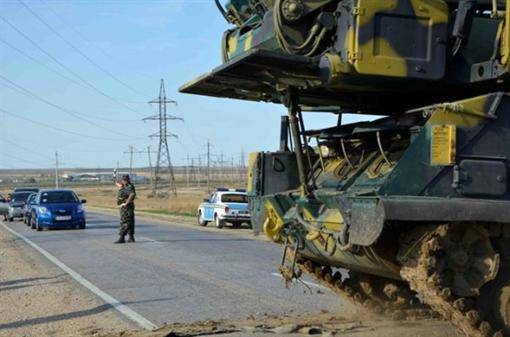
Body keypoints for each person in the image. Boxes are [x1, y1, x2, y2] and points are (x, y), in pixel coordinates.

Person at [114, 174, 136, 244]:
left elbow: (132, 195)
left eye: (126, 180)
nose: (124, 181)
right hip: (124, 207)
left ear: (128, 180)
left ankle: (122, 237)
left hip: (127, 207)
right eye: (123, 180)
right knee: (130, 222)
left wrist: (126, 203)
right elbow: (117, 183)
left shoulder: (129, 186)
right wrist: (115, 177)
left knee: (125, 222)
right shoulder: (123, 186)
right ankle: (131, 237)